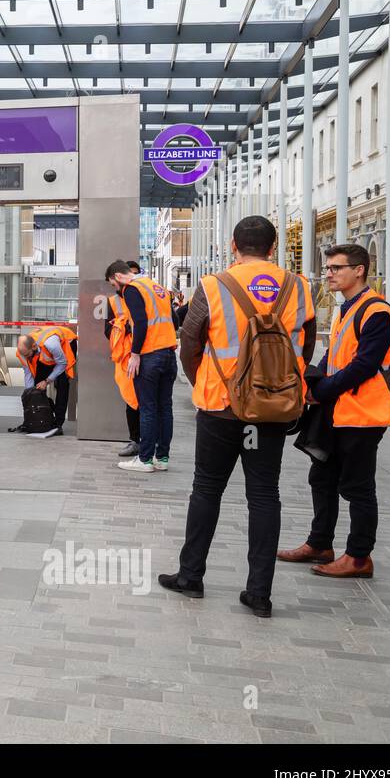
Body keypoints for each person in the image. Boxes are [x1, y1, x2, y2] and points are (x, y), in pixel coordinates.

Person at [158, 215, 316, 618]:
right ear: (274, 245)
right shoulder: (298, 286)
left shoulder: (214, 285)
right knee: (264, 495)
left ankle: (190, 576)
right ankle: (259, 593)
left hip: (221, 408)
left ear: (233, 245)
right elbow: (307, 345)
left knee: (207, 488)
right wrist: (277, 387)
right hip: (271, 410)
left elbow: (189, 342)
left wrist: (205, 382)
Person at [278, 243, 390, 580]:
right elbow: (336, 356)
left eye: (336, 268)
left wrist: (325, 389)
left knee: (357, 486)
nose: (329, 273)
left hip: (363, 414)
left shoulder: (376, 311)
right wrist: (314, 384)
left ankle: (359, 557)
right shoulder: (347, 308)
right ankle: (320, 543)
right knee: (322, 477)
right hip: (340, 411)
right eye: (328, 268)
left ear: (359, 270)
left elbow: (365, 365)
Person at [106, 261, 177, 473]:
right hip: (168, 354)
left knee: (147, 408)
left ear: (118, 276)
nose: (116, 289)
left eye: (113, 284)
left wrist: (135, 354)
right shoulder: (156, 287)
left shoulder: (132, 289)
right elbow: (174, 319)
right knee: (165, 408)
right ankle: (162, 458)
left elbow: (141, 321)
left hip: (149, 355)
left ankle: (144, 459)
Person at [104, 266, 141, 458]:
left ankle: (150, 443)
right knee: (131, 400)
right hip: (126, 357)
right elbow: (107, 330)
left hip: (145, 354)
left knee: (148, 403)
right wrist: (123, 327)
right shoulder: (113, 301)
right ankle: (135, 440)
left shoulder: (144, 292)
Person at [16, 324, 78, 435]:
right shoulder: (23, 352)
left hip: (66, 344)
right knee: (37, 387)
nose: (26, 358)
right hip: (45, 351)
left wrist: (47, 381)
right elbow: (28, 373)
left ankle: (58, 424)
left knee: (62, 384)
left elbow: (62, 363)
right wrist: (30, 394)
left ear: (34, 347)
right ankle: (40, 420)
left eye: (28, 355)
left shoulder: (51, 344)